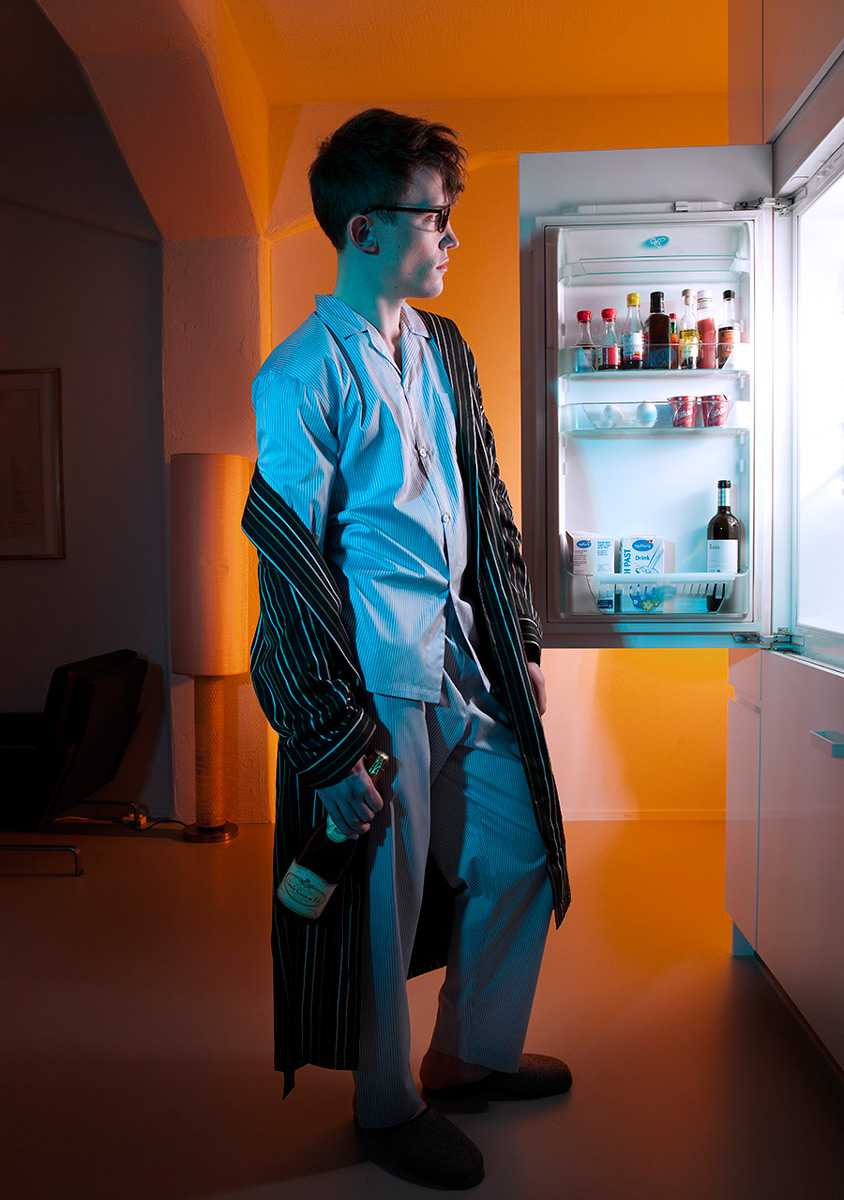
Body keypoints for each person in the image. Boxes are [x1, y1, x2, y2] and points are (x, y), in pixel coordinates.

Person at [241, 108, 571, 1190]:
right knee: (378, 912)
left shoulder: (444, 349)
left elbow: (490, 503)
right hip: (375, 681)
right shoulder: (300, 375)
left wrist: (519, 637)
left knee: (520, 849)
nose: (450, 237)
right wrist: (328, 740)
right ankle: (388, 1107)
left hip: (464, 662)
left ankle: (467, 1053)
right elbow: (288, 565)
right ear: (367, 230)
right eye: (436, 217)